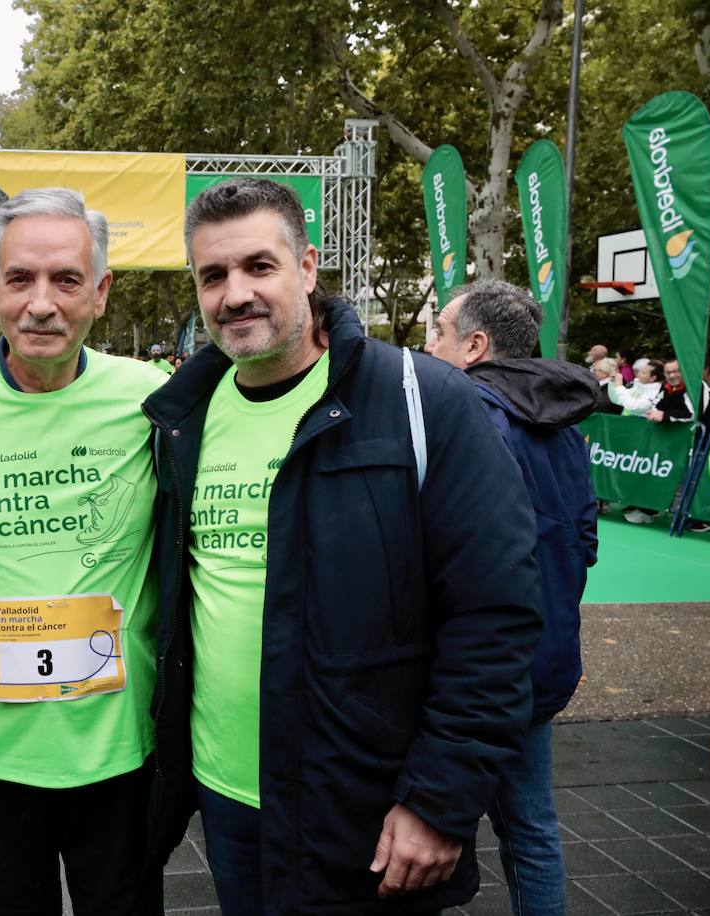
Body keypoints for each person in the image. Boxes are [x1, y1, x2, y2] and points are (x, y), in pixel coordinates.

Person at [144, 178, 542, 913]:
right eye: (213, 276)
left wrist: (439, 798)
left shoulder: (422, 399)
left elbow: (497, 616)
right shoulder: (182, 418)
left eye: (258, 267)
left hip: (366, 809)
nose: (235, 294)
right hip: (226, 797)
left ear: (307, 266)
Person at [0, 188, 167, 916]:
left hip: (119, 753)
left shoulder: (153, 399)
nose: (41, 303)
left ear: (100, 292)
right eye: (20, 279)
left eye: (65, 280)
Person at [432, 279, 599, 916]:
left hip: (473, 667)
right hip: (542, 655)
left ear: (474, 346)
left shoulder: (463, 414)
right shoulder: (565, 426)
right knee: (531, 826)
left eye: (438, 333)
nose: (429, 346)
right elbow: (584, 539)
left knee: (425, 825)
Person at [646, 359, 695, 424]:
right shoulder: (665, 385)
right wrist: (654, 413)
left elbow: (692, 415)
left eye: (675, 372)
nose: (671, 376)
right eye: (668, 373)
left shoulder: (691, 387)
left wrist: (665, 415)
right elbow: (657, 403)